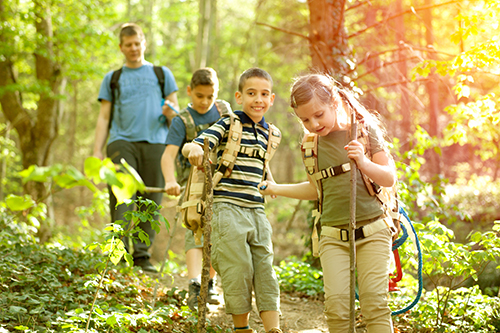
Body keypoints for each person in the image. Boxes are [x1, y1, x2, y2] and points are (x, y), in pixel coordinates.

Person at [259, 73, 397, 333]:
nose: (313, 123)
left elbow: (388, 177)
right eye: (305, 119)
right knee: (336, 308)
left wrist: (363, 163)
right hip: (333, 235)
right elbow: (317, 189)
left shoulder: (364, 130)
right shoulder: (311, 145)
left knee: (375, 305)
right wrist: (277, 188)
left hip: (373, 231)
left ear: (333, 101)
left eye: (319, 114)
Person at [182, 68, 282, 333]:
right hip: (227, 207)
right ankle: (242, 328)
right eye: (251, 93)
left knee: (265, 267)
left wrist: (270, 183)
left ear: (271, 99)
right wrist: (193, 150)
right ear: (239, 97)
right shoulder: (229, 123)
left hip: (257, 210)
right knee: (238, 266)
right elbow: (199, 142)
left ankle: (274, 328)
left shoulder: (271, 133)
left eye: (263, 94)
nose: (257, 99)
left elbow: (262, 162)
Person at [93, 23, 179, 273]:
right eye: (128, 45)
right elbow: (103, 117)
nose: (133, 48)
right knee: (122, 198)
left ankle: (142, 256)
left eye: (137, 43)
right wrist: (97, 149)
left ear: (144, 43)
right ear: (121, 48)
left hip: (156, 144)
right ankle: (117, 255)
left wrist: (169, 111)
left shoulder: (162, 74)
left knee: (150, 200)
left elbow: (175, 112)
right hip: (121, 142)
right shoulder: (113, 78)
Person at [161, 67, 229, 310]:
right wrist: (170, 181)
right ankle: (193, 283)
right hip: (192, 185)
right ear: (189, 91)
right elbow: (168, 156)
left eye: (210, 96)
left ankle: (208, 282)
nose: (205, 101)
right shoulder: (182, 120)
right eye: (199, 96)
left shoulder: (224, 111)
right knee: (195, 227)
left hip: (222, 181)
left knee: (215, 232)